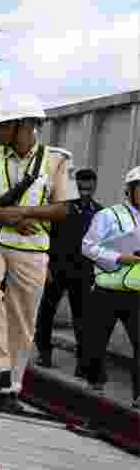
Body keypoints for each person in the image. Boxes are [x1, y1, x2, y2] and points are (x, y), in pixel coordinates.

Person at [0, 104, 76, 410]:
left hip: (33, 247)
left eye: (4, 125)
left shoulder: (57, 160)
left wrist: (25, 212)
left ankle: (9, 390)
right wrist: (6, 217)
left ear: (26, 124)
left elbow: (63, 208)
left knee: (23, 322)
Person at [79, 166, 140, 407]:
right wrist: (119, 257)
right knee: (95, 342)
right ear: (129, 190)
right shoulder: (108, 215)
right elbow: (88, 246)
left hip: (137, 294)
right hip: (107, 291)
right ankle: (94, 384)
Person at [34, 167, 102, 372]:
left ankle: (82, 364)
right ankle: (44, 354)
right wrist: (45, 265)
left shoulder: (100, 212)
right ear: (74, 187)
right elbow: (45, 238)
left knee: (83, 320)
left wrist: (97, 272)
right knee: (46, 314)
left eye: (89, 189)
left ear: (94, 188)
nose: (85, 193)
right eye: (81, 189)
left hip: (83, 274)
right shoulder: (60, 209)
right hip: (56, 270)